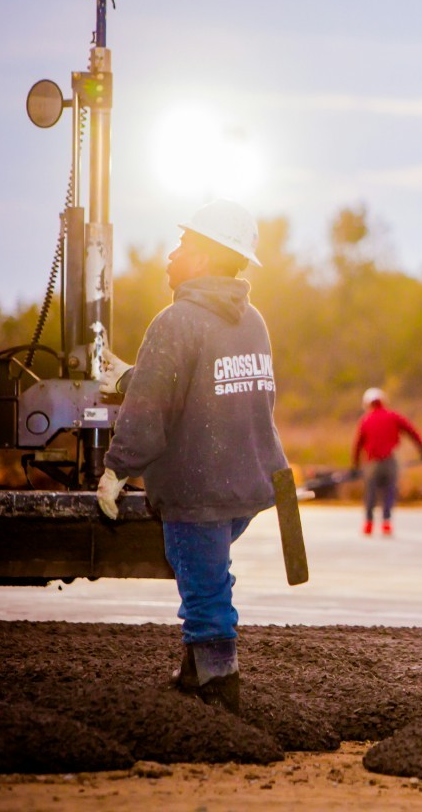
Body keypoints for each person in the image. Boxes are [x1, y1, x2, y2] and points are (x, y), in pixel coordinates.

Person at [94, 198, 285, 715]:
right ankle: (192, 674)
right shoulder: (253, 323)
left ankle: (220, 692)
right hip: (245, 484)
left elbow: (151, 412)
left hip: (196, 489)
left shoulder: (175, 321)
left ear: (203, 258)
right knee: (209, 575)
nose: (172, 253)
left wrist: (116, 469)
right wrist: (133, 376)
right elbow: (221, 391)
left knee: (205, 595)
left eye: (183, 244)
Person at [351, 387, 422, 536]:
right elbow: (412, 432)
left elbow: (357, 445)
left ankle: (368, 523)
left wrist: (355, 466)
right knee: (389, 491)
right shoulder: (393, 416)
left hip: (371, 462)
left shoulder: (366, 420)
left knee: (371, 492)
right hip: (389, 460)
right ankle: (386, 522)